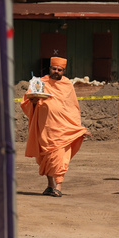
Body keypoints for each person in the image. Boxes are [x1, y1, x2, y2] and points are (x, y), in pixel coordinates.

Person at [21, 56, 89, 197]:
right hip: (44, 128)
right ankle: (50, 185)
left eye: (60, 69)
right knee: (45, 157)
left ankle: (59, 185)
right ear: (50, 68)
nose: (56, 71)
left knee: (59, 156)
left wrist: (76, 127)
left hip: (62, 129)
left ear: (64, 70)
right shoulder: (40, 82)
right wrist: (33, 100)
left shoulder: (67, 85)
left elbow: (73, 108)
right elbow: (27, 101)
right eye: (54, 68)